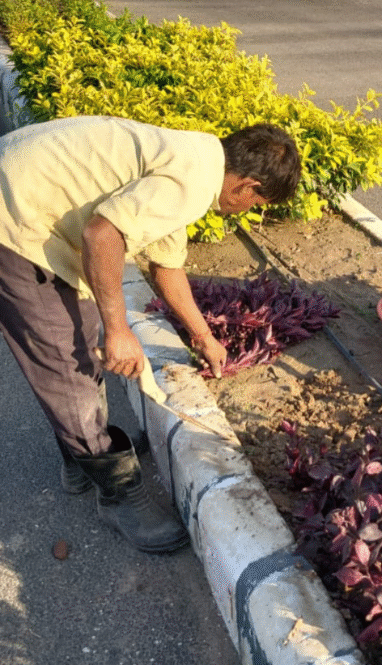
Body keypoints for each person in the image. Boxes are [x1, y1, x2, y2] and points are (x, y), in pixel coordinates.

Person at [0, 115, 301, 552]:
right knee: (65, 362)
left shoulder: (197, 158)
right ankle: (118, 494)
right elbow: (102, 234)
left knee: (77, 339)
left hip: (27, 203)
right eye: (256, 202)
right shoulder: (193, 181)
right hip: (13, 223)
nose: (249, 210)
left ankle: (80, 456)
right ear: (247, 185)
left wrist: (204, 336)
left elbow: (167, 268)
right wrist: (119, 329)